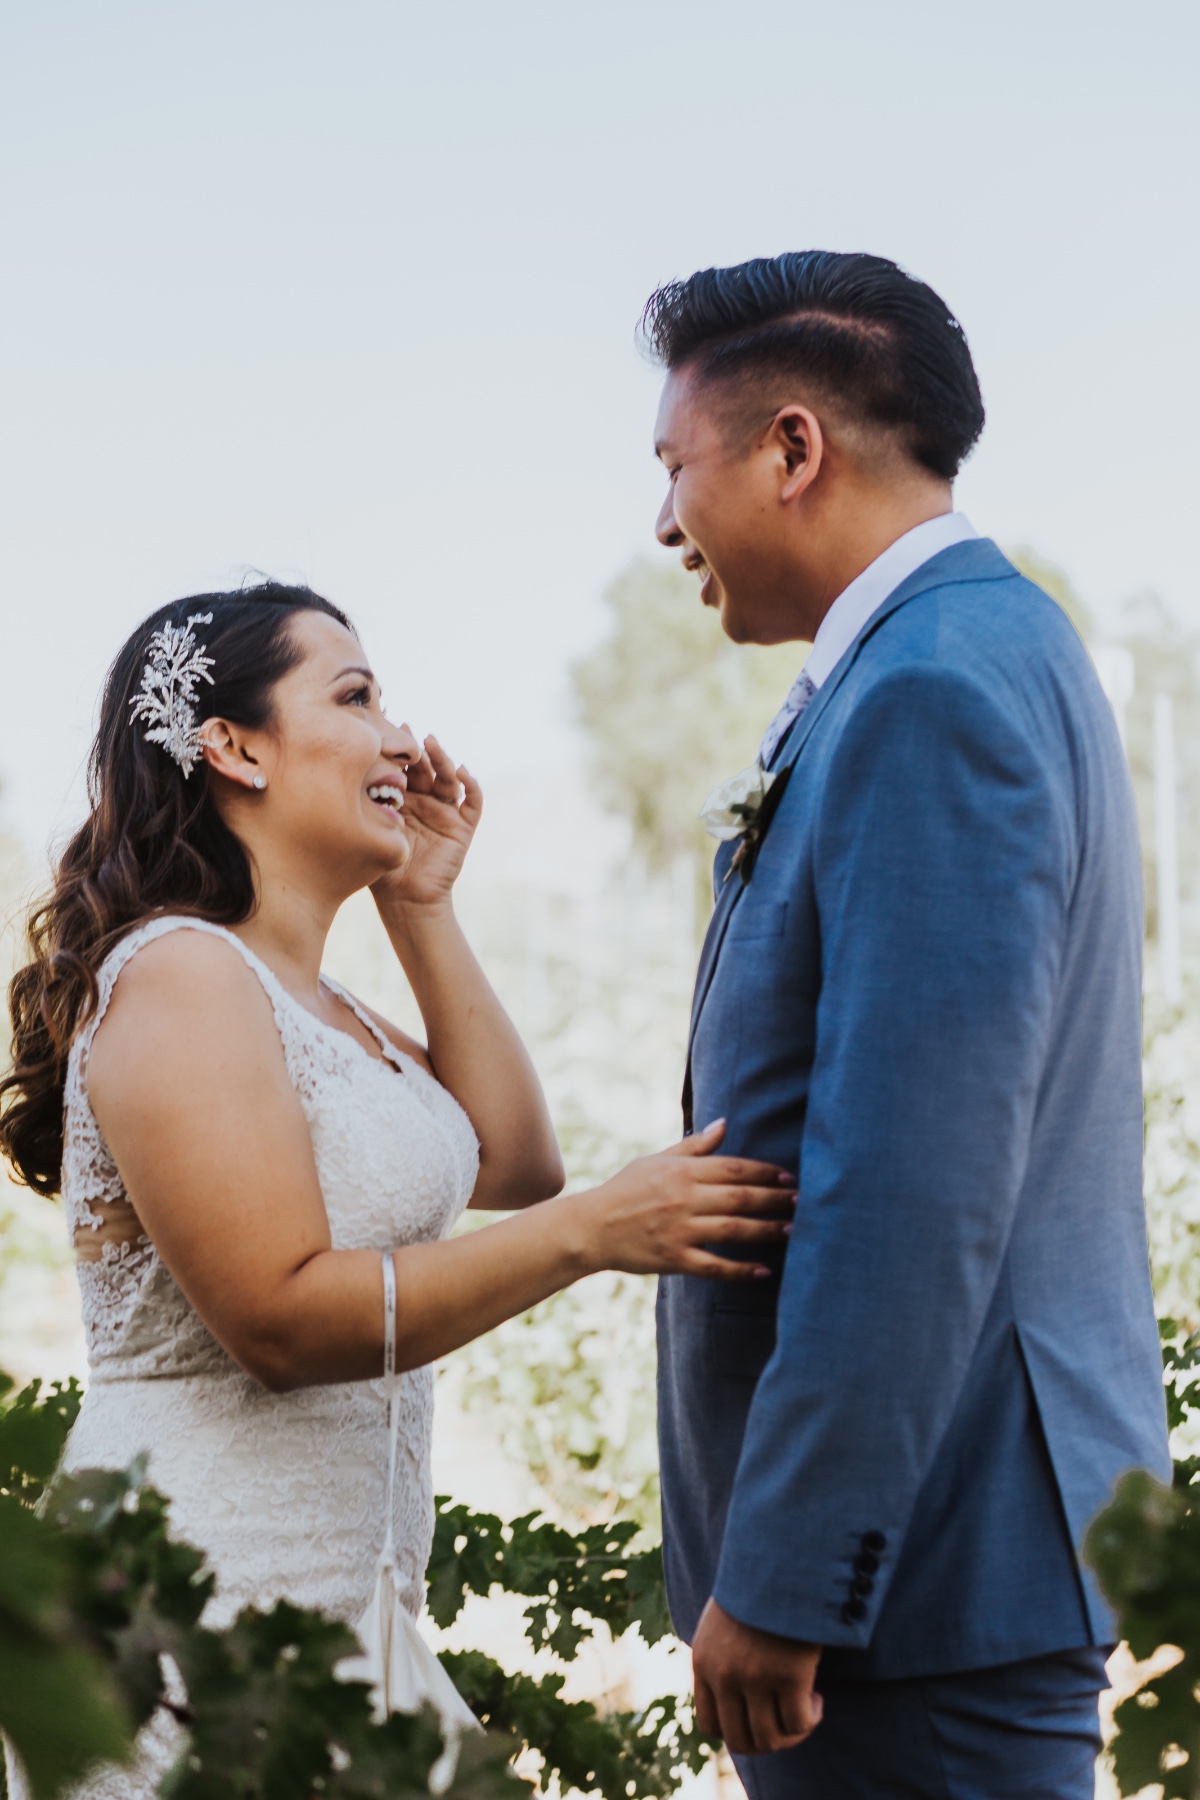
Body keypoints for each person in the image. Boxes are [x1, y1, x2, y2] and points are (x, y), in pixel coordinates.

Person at [0, 582, 797, 1799]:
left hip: (346, 1610)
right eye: (357, 696)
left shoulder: (330, 1012)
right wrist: (588, 1238)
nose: (402, 740)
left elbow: (517, 1160)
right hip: (194, 1615)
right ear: (235, 748)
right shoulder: (178, 975)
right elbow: (278, 1318)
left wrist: (421, 905)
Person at [647, 252, 1171, 1800]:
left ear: (790, 448)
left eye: (674, 469)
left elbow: (915, 1173)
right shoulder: (975, 646)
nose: (663, 523)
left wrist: (797, 1568)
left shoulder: (927, 686)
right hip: (946, 1558)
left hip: (918, 1581)